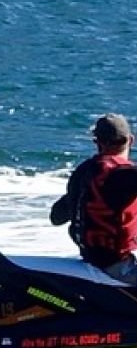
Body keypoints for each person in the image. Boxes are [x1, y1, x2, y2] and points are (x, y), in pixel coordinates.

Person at [50, 113, 137, 283]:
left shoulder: (82, 172)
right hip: (117, 268)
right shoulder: (127, 175)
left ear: (97, 142)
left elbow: (56, 217)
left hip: (89, 262)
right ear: (130, 140)